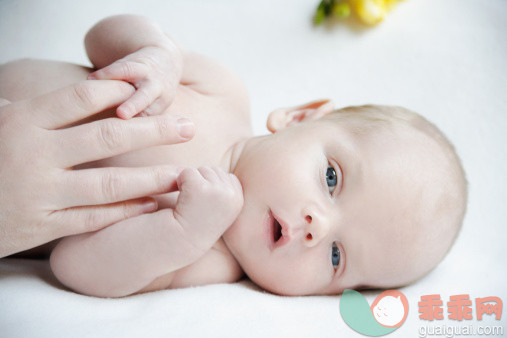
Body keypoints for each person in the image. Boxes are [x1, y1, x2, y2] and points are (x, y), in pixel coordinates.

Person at [1, 15, 467, 298]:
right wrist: (155, 52)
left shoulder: (210, 256)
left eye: (336, 256)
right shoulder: (223, 92)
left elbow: (73, 266)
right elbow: (99, 38)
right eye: (330, 179)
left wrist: (181, 231)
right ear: (300, 117)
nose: (316, 227)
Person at [0, 77, 195, 259]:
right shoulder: (222, 88)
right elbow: (96, 42)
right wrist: (155, 58)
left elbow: (73, 263)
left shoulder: (211, 239)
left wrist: (184, 234)